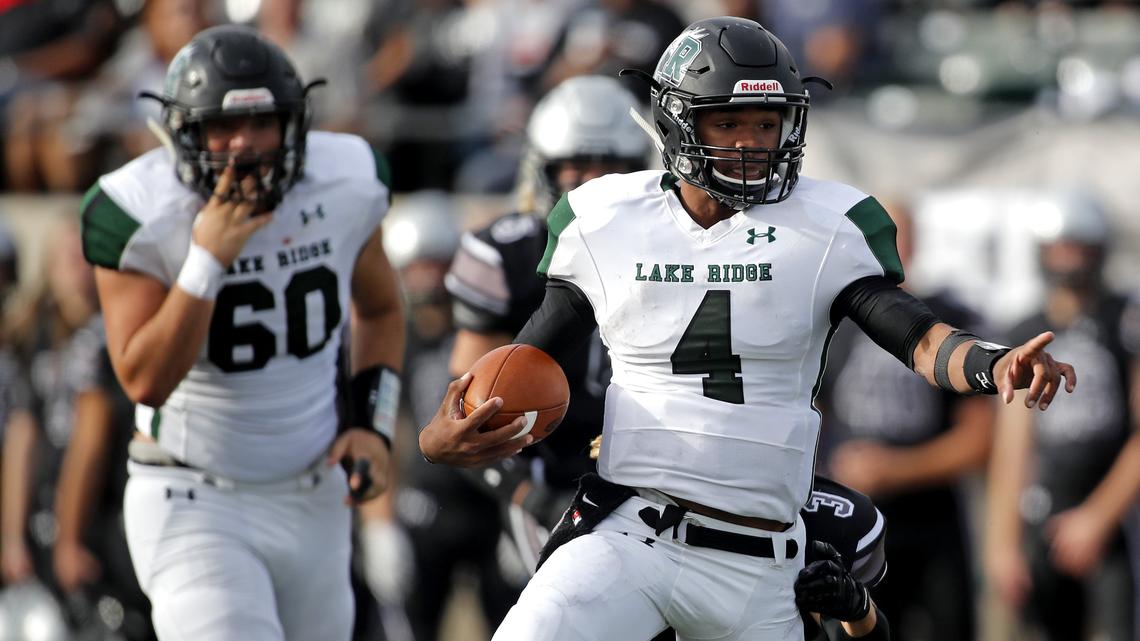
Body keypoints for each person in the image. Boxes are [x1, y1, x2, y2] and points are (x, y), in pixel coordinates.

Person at [419, 16, 1075, 641]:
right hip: (629, 533)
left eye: (767, 123)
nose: (750, 142)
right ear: (676, 122)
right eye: (727, 121)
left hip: (761, 562)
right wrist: (440, 434)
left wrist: (994, 364)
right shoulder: (607, 219)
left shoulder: (825, 226)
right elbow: (525, 355)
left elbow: (922, 339)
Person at [79, 25, 405, 641]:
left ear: (295, 123)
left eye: (263, 124)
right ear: (183, 131)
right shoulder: (139, 210)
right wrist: (206, 262)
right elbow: (143, 380)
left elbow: (383, 310)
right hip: (193, 495)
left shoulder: (347, 180)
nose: (244, 147)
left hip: (314, 496)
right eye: (222, 128)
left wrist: (373, 424)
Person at [444, 74, 650, 553]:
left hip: (658, 459)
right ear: (542, 170)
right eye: (575, 166)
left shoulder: (681, 247)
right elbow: (472, 410)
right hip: (553, 466)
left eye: (611, 166)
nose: (593, 183)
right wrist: (529, 495)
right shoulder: (505, 254)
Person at [814, 202, 994, 641]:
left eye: (896, 234)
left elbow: (978, 442)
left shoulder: (944, 320)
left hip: (931, 524)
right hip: (852, 525)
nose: (883, 247)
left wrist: (894, 469)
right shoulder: (827, 321)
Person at [984, 192, 1137, 641]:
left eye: (1078, 246)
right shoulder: (1022, 330)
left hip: (1115, 524)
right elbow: (1011, 447)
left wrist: (1099, 517)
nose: (1068, 259)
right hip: (1042, 522)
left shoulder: (1125, 322)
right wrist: (1002, 544)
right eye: (1058, 246)